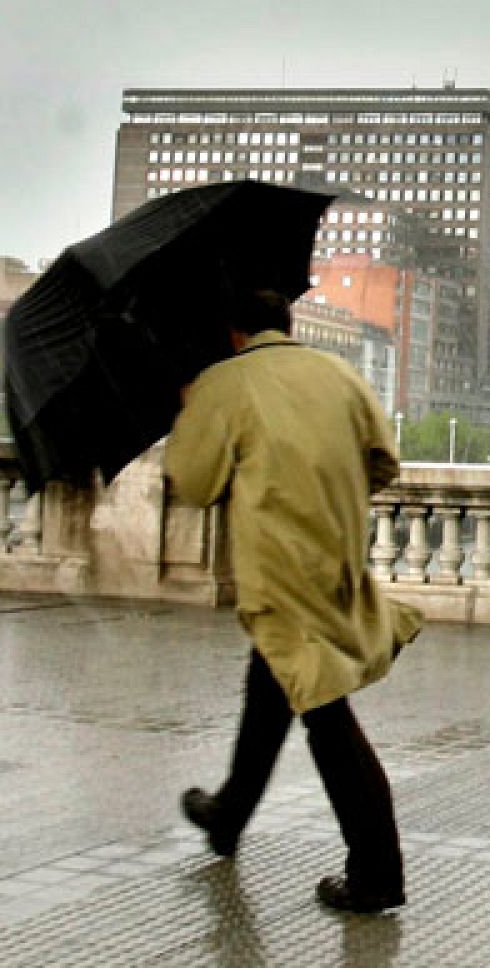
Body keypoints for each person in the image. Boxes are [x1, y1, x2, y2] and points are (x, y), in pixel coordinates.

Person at [165, 287, 423, 914]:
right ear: (287, 324)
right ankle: (229, 814)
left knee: (327, 717)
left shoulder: (228, 384)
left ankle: (376, 872)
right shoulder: (339, 374)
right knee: (271, 691)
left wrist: (191, 413)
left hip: (279, 576)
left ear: (234, 334)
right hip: (335, 565)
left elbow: (194, 484)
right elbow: (384, 463)